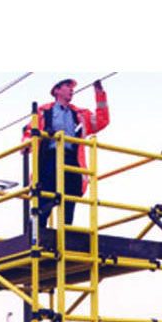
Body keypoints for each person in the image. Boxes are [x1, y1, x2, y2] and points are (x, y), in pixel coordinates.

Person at [24, 78, 110, 229]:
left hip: (71, 159)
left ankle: (66, 232)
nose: (71, 89)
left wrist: (99, 94)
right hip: (50, 158)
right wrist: (27, 145)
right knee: (45, 195)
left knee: (69, 197)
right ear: (56, 91)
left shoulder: (79, 114)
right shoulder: (45, 112)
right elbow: (30, 130)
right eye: (67, 86)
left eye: (72, 87)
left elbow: (102, 120)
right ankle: (38, 231)